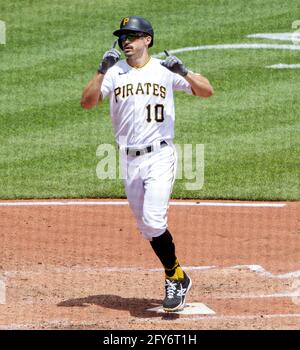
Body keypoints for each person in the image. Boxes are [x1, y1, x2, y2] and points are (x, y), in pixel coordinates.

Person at [81, 16, 213, 312]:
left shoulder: (164, 71)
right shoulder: (114, 73)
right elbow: (87, 102)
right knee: (147, 228)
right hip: (129, 160)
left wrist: (185, 71)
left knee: (154, 221)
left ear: (147, 39)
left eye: (132, 35)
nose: (125, 41)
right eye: (122, 37)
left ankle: (173, 278)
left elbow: (206, 90)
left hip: (159, 156)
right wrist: (101, 70)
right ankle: (179, 275)